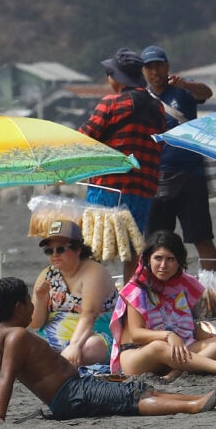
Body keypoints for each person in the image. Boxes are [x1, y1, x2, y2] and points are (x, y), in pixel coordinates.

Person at [0, 277, 216, 422]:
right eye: (29, 302)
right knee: (130, 398)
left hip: (74, 389)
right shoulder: (17, 336)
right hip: (71, 394)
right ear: (19, 307)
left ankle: (201, 397)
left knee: (135, 389)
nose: (34, 307)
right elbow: (5, 379)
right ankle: (195, 406)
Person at [79, 48, 166, 280]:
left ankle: (92, 303)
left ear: (116, 78)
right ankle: (130, 304)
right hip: (143, 190)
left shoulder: (111, 103)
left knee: (93, 250)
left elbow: (84, 138)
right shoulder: (157, 107)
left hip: (109, 188)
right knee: (133, 253)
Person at [109, 231, 216, 379]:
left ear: (179, 262)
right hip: (138, 355)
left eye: (170, 259)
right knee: (158, 346)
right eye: (158, 258)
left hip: (174, 350)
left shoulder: (181, 285)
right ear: (147, 259)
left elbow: (185, 324)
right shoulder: (137, 289)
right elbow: (137, 334)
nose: (163, 265)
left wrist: (210, 337)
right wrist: (168, 335)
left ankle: (178, 372)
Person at [141, 45, 216, 271]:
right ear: (144, 72)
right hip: (156, 177)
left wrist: (184, 84)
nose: (154, 72)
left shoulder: (183, 91)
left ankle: (213, 288)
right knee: (155, 240)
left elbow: (207, 93)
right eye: (149, 67)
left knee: (201, 237)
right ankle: (152, 288)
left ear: (167, 67)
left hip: (190, 176)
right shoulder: (142, 98)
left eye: (158, 66)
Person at [30, 219, 118, 367]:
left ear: (78, 249)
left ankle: (58, 363)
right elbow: (35, 323)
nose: (54, 254)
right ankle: (58, 363)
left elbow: (89, 314)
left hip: (92, 332)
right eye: (49, 250)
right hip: (52, 334)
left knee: (91, 346)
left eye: (60, 249)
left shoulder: (93, 272)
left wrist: (75, 345)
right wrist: (40, 299)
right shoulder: (47, 274)